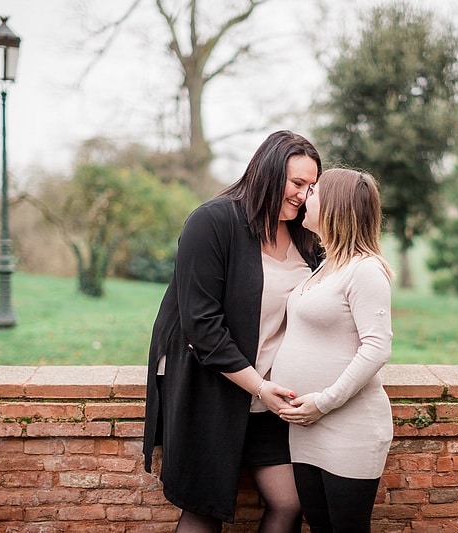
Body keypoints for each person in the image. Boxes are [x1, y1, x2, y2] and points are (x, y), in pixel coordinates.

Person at [143, 130, 323, 532]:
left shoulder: (306, 237)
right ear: (268, 172)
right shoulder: (212, 222)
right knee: (204, 510)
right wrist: (257, 385)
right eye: (297, 183)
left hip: (274, 397)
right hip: (210, 385)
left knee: (290, 501)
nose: (303, 195)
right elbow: (201, 326)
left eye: (311, 187)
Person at [272, 168, 394, 533]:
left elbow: (377, 347)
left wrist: (323, 402)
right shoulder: (326, 266)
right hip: (307, 427)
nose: (304, 196)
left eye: (314, 191)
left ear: (334, 207)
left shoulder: (365, 270)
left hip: (348, 427)